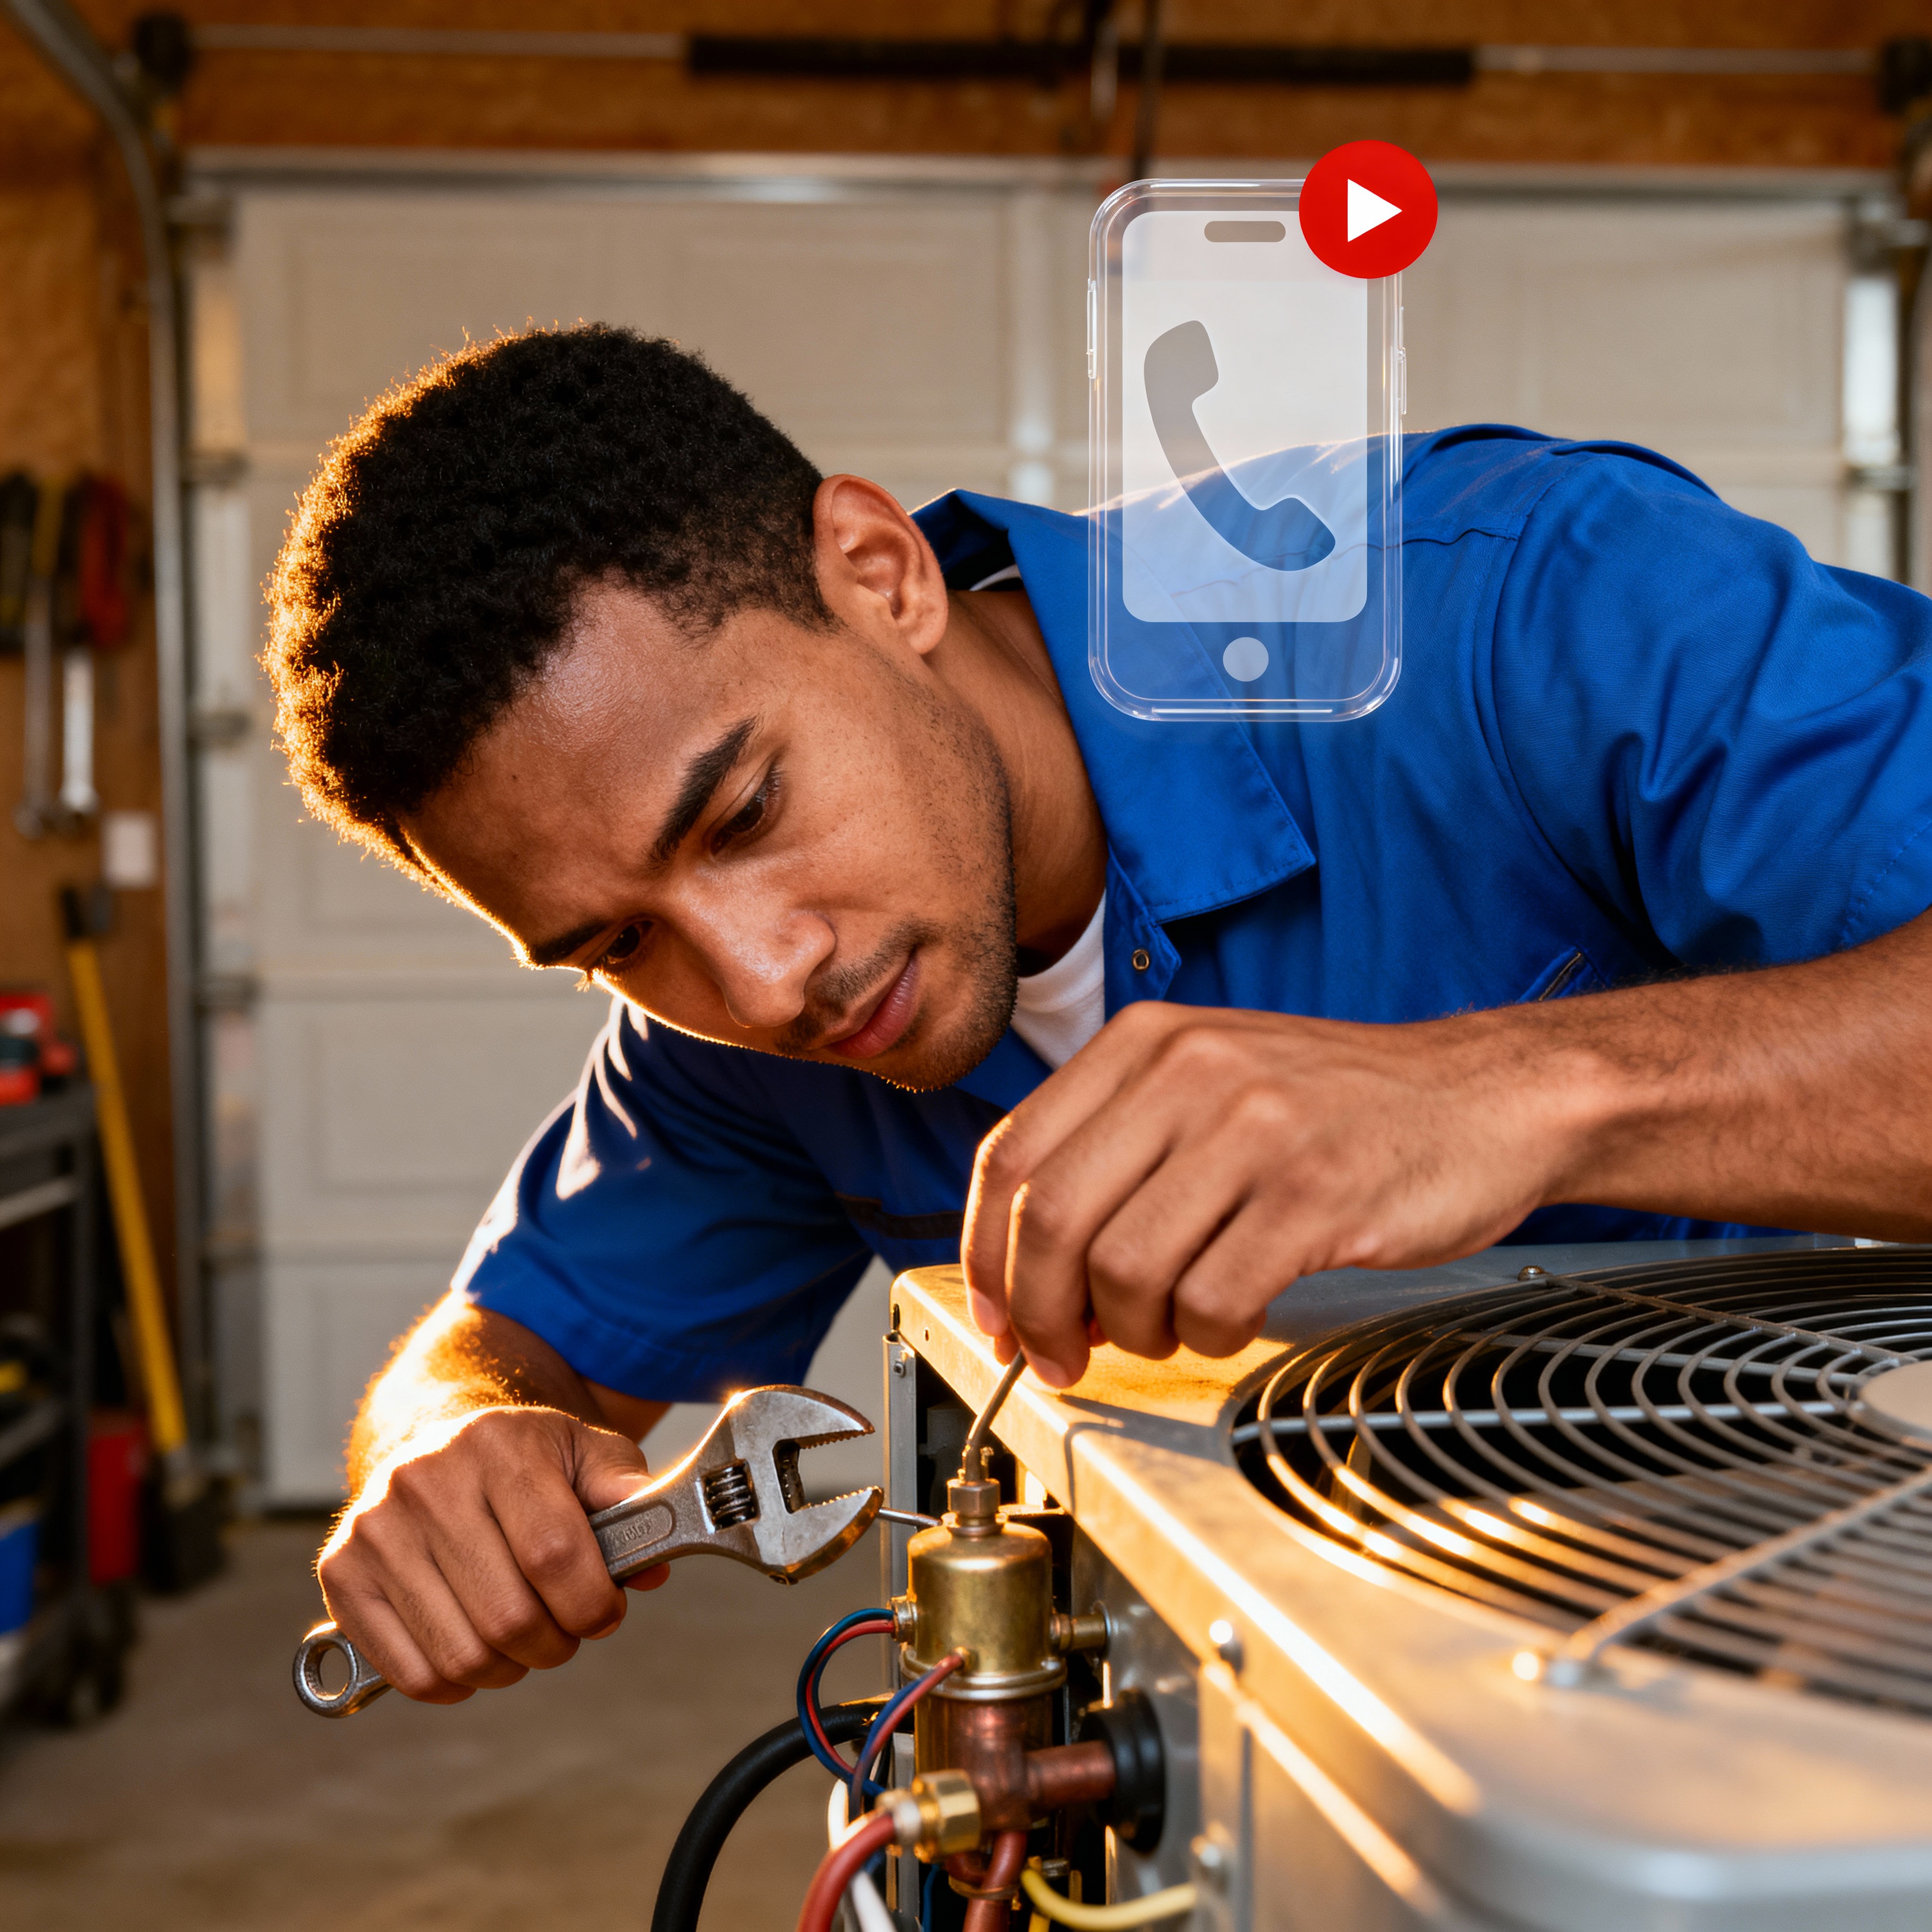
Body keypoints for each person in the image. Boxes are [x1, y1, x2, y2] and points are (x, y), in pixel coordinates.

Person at [265, 325, 1932, 1705]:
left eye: (746, 812)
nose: (764, 979)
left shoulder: (1511, 610)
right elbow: (506, 1349)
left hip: (1746, 1688)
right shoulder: (726, 1042)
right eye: (619, 938)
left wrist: (1527, 1092)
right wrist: (452, 1445)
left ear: (879, 575)